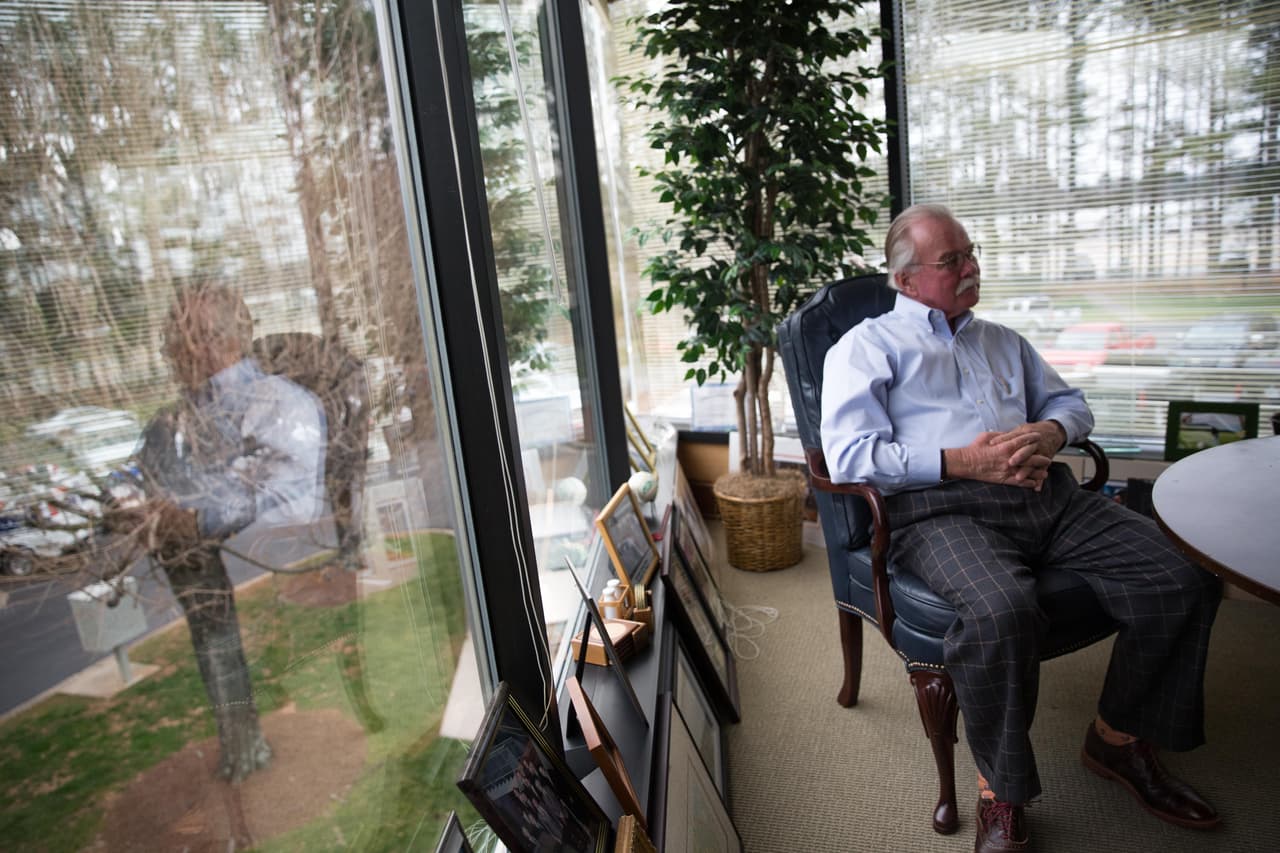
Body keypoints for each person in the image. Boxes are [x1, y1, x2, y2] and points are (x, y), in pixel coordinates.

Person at [819, 204, 1222, 852]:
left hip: (1045, 498)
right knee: (1002, 608)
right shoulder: (865, 349)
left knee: (1186, 572)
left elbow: (1072, 404)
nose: (971, 266)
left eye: (971, 252)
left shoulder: (1002, 340)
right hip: (939, 511)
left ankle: (1117, 738)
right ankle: (1000, 792)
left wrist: (1050, 430)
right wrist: (964, 461)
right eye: (952, 260)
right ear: (905, 280)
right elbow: (850, 457)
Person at [134, 281, 327, 781]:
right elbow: (146, 483)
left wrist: (197, 519)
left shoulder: (282, 408)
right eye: (168, 338)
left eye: (181, 337)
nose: (170, 351)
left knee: (234, 657)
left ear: (221, 340)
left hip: (272, 590)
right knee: (216, 652)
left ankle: (251, 751)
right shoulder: (171, 423)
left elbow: (291, 501)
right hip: (208, 585)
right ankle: (241, 746)